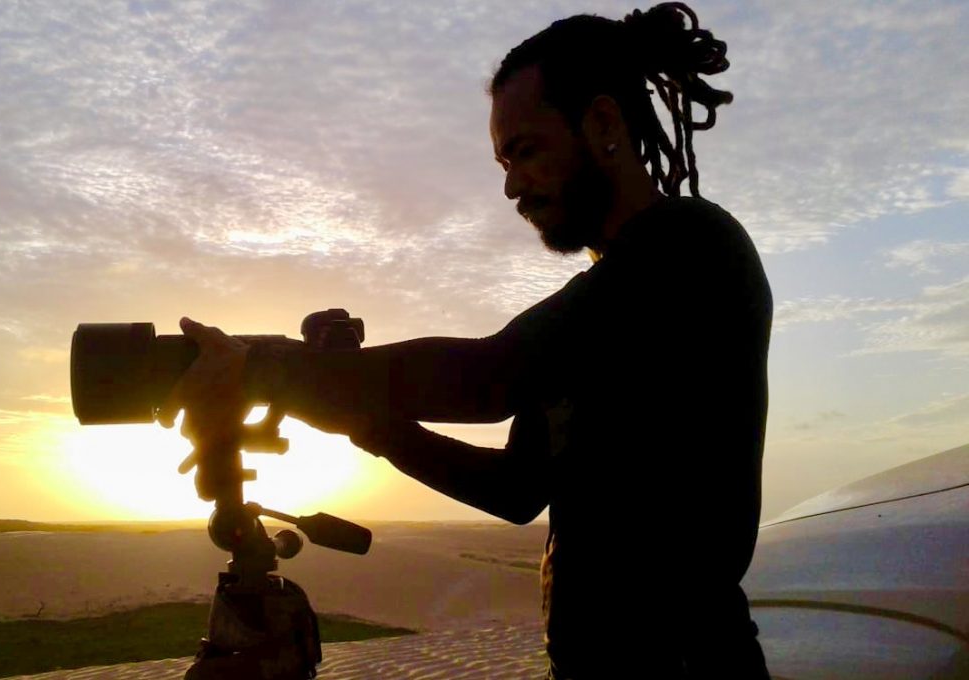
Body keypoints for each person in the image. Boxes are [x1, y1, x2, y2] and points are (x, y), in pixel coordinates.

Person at [159, 4, 773, 678]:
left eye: (526, 151)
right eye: (504, 162)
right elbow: (517, 488)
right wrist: (371, 425)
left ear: (602, 124)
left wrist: (260, 369)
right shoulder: (605, 312)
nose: (511, 185)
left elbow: (487, 377)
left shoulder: (690, 249)